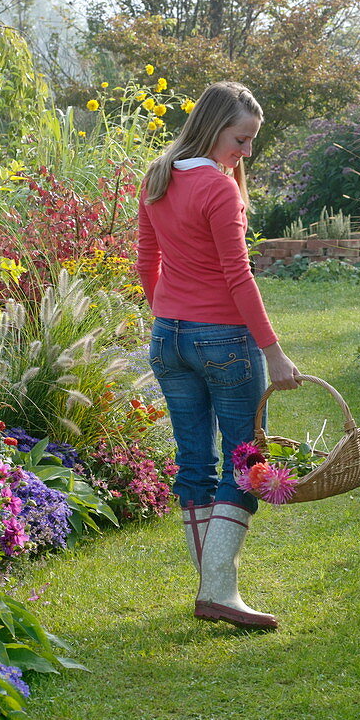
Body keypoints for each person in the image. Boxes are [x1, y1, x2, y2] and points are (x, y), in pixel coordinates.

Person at [135, 81, 300, 631]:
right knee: (248, 460)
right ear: (213, 128)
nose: (246, 151)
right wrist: (273, 353)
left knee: (195, 464)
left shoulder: (157, 177)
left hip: (168, 338)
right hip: (224, 341)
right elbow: (238, 276)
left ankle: (214, 591)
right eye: (242, 138)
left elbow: (146, 262)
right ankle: (219, 591)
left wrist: (171, 314)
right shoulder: (220, 190)